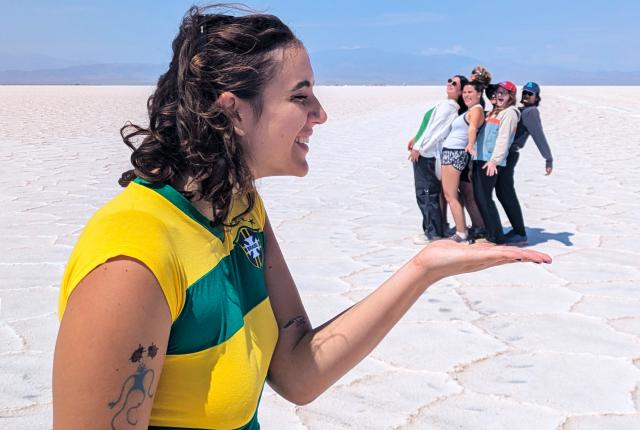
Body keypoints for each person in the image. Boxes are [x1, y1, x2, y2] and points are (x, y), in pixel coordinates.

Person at [52, 6, 551, 429]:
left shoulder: (238, 207)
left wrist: (424, 270)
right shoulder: (132, 262)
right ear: (233, 112)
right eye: (300, 96)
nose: (320, 113)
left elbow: (297, 371)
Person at [408, 75, 468, 243]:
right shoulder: (446, 105)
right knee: (427, 194)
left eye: (455, 83)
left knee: (426, 194)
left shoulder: (449, 107)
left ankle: (433, 234)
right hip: (425, 150)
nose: (450, 84)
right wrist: (416, 138)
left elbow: (435, 131)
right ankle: (433, 229)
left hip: (427, 154)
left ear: (460, 91)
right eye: (449, 80)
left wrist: (419, 147)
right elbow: (428, 127)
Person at [496, 81, 554, 245]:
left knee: (506, 192)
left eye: (530, 94)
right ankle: (517, 230)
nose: (527, 96)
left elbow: (538, 135)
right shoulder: (520, 110)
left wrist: (548, 158)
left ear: (536, 97)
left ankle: (519, 232)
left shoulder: (531, 112)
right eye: (525, 93)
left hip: (509, 155)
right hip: (504, 155)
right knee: (502, 192)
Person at [471, 81, 521, 244]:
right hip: (480, 158)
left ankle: (496, 237)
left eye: (504, 93)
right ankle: (492, 233)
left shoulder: (510, 113)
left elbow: (504, 139)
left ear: (511, 97)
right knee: (480, 197)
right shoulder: (495, 112)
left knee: (485, 198)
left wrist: (495, 160)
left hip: (490, 161)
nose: (499, 96)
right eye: (498, 92)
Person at [440, 81, 485, 242]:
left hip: (455, 153)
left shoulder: (477, 110)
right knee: (454, 194)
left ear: (479, 93)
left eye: (470, 92)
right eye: (464, 92)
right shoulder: (472, 110)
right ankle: (468, 227)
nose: (466, 95)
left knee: (450, 195)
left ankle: (461, 232)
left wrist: (470, 144)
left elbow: (472, 128)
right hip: (451, 153)